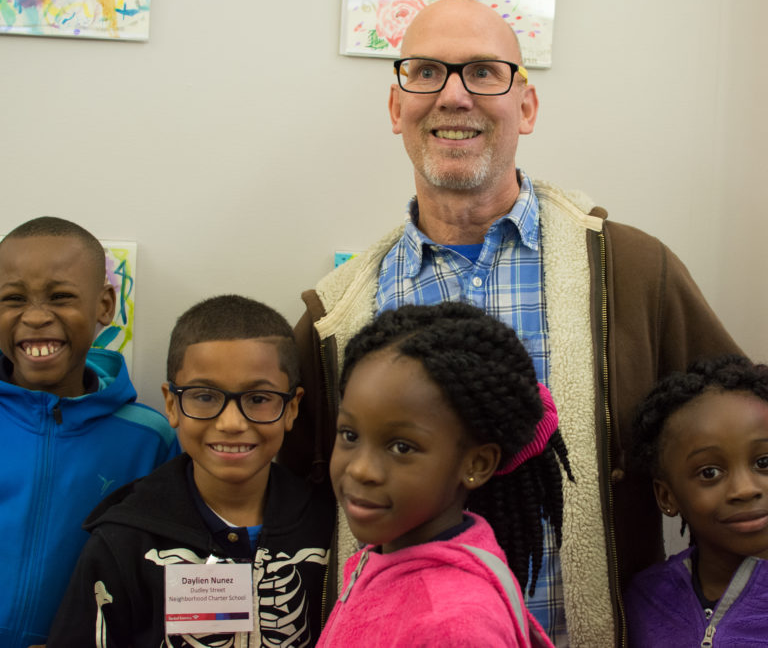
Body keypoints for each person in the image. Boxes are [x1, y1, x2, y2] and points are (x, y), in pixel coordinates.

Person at [280, 0, 768, 646]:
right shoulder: (338, 313)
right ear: (395, 106)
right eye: (426, 72)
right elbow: (279, 493)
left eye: (483, 73)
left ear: (525, 106)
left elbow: (765, 435)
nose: (454, 96)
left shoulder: (630, 272)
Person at [48, 295, 334, 647]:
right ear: (171, 404)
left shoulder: (330, 528)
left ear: (291, 408)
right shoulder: (124, 539)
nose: (232, 423)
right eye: (205, 397)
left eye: (259, 399)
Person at [318, 302, 570, 647]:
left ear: (476, 465)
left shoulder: (453, 626)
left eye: (401, 447)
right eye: (349, 435)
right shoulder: (382, 555)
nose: (361, 468)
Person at [0, 216, 179, 648]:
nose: (37, 317)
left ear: (104, 305)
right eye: (13, 298)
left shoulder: (151, 440)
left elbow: (162, 574)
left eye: (61, 297)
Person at [625, 354, 768, 646]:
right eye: (710, 472)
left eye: (764, 463)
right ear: (667, 496)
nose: (745, 489)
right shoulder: (642, 600)